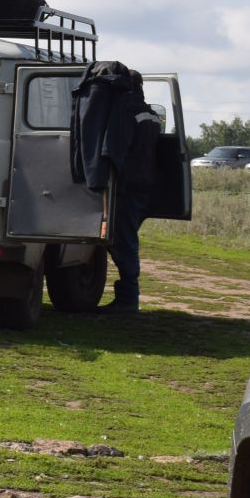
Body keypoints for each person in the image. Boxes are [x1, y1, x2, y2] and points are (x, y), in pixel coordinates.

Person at [71, 61, 161, 313]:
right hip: (143, 184)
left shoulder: (126, 110)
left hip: (126, 186)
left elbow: (114, 149)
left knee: (122, 239)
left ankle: (128, 299)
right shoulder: (150, 112)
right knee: (125, 237)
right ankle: (128, 295)